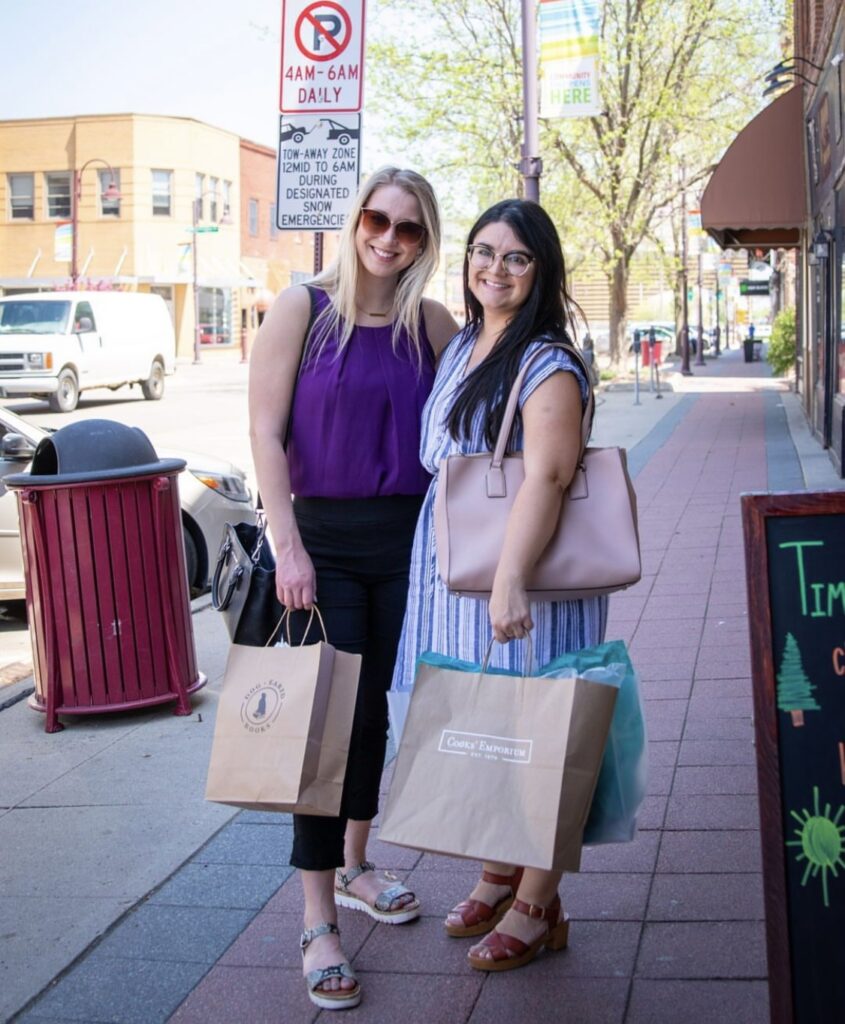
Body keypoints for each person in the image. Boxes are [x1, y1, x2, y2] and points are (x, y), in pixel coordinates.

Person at [249, 166, 458, 1010]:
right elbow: (264, 432)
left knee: (375, 710)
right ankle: (314, 919)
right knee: (322, 726)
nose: (389, 238)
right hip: (323, 544)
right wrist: (287, 545)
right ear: (356, 218)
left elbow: (479, 415)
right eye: (379, 218)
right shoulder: (304, 308)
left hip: (409, 544)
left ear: (424, 241)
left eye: (409, 229)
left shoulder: (434, 323)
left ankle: (357, 866)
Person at [392, 198, 607, 973]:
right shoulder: (464, 344)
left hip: (522, 572)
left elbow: (547, 474)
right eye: (484, 252)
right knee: (479, 720)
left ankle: (537, 901)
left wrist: (510, 581)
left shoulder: (545, 358)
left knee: (538, 732)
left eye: (516, 257)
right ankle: (495, 867)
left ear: (541, 269)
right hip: (454, 567)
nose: (495, 269)